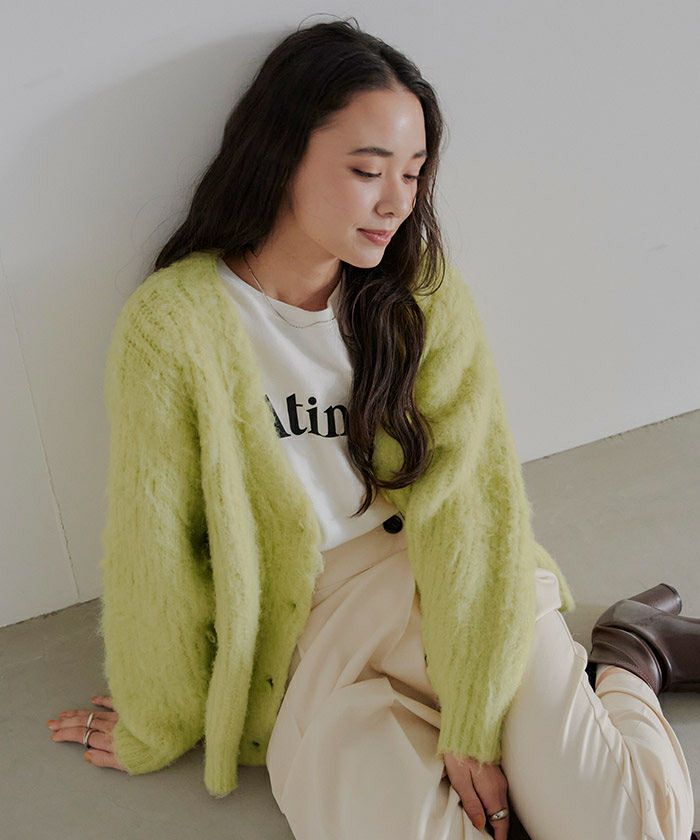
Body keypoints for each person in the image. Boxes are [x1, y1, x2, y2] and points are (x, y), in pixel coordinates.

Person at [46, 16, 698, 840]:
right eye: (367, 170)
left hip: (462, 589)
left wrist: (474, 713)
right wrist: (160, 717)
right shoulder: (174, 326)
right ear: (281, 153)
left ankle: (628, 658)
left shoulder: (420, 293)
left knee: (632, 832)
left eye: (414, 172)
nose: (398, 201)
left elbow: (474, 501)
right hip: (317, 640)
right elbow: (156, 543)